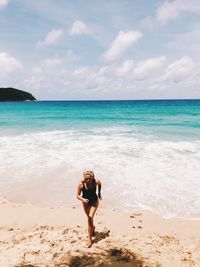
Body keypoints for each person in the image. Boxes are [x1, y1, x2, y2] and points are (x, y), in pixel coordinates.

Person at [77, 170, 102, 247]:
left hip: (94, 201)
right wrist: (83, 199)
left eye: (90, 179)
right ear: (84, 178)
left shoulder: (96, 182)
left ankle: (89, 239)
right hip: (86, 203)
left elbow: (100, 184)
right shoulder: (81, 184)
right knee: (89, 218)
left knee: (90, 218)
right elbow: (77, 195)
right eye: (86, 179)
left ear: (93, 178)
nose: (88, 180)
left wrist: (99, 193)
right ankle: (93, 228)